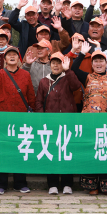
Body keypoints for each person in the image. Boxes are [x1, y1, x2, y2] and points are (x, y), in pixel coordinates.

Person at [71, 47, 107, 195]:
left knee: (106, 152)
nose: (98, 63)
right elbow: (74, 68)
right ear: (92, 64)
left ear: (106, 63)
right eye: (96, 61)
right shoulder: (87, 77)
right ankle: (91, 185)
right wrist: (81, 53)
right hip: (89, 122)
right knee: (90, 152)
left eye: (101, 60)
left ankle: (106, 185)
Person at [0, 47, 35, 194]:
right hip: (1, 118)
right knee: (1, 151)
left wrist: (32, 112)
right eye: (9, 55)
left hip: (20, 118)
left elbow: (30, 96)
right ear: (4, 59)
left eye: (15, 55)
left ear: (19, 59)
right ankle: (0, 184)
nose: (12, 57)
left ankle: (20, 183)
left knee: (20, 150)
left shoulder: (25, 74)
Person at [35, 52, 81, 195]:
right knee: (51, 153)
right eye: (53, 63)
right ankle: (52, 184)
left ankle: (67, 184)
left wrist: (68, 70)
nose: (56, 65)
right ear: (50, 64)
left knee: (66, 153)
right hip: (50, 124)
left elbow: (76, 86)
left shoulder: (68, 78)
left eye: (59, 63)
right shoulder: (44, 81)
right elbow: (39, 103)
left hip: (67, 122)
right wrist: (42, 120)